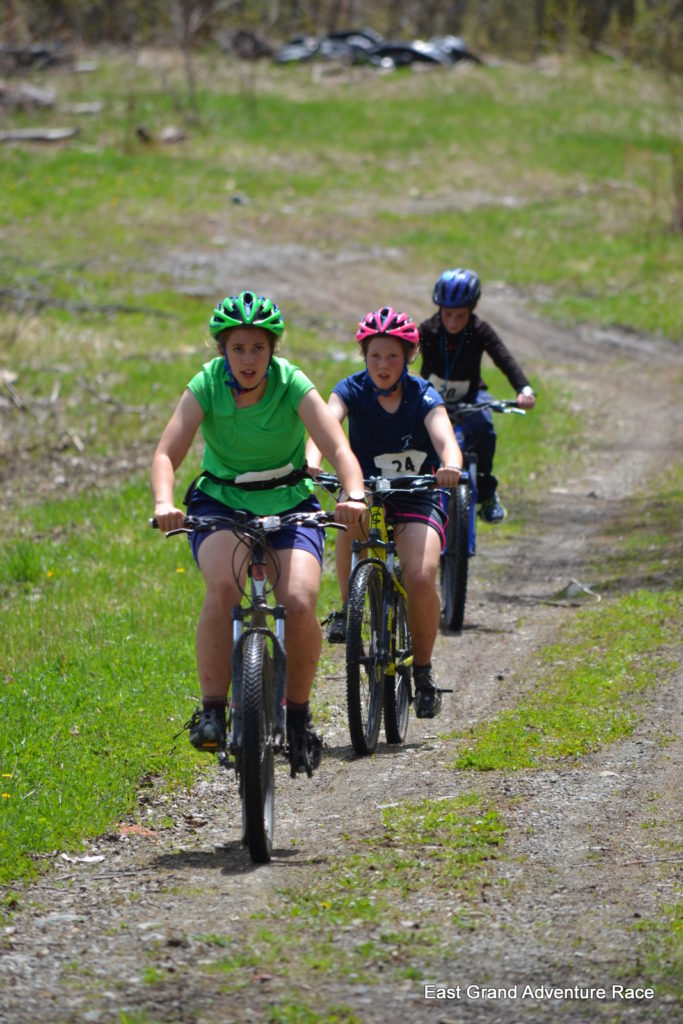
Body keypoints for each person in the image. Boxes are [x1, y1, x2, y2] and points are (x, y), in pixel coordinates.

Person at [150, 290, 366, 776]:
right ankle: (212, 710)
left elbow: (337, 447)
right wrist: (165, 503)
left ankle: (299, 716)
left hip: (290, 501)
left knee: (301, 599)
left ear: (273, 350)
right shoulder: (206, 384)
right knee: (224, 587)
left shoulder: (292, 383)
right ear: (222, 350)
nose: (248, 359)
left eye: (258, 349)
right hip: (221, 501)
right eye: (238, 348)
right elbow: (167, 453)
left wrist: (352, 492)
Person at [306, 307, 463, 720]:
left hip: (416, 496)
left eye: (392, 356)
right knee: (347, 516)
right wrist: (312, 460)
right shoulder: (350, 389)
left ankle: (424, 673)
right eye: (375, 355)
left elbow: (445, 438)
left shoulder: (423, 395)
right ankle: (346, 610)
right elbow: (326, 424)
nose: (383, 365)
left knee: (419, 575)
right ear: (364, 356)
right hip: (367, 491)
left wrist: (451, 465)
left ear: (407, 357)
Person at [418, 268, 536, 523]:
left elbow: (503, 357)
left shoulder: (480, 330)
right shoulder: (427, 330)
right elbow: (404, 357)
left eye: (459, 316)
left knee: (484, 427)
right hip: (430, 397)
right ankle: (414, 493)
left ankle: (486, 493)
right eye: (447, 314)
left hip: (470, 395)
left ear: (472, 309)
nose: (452, 322)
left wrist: (523, 388)